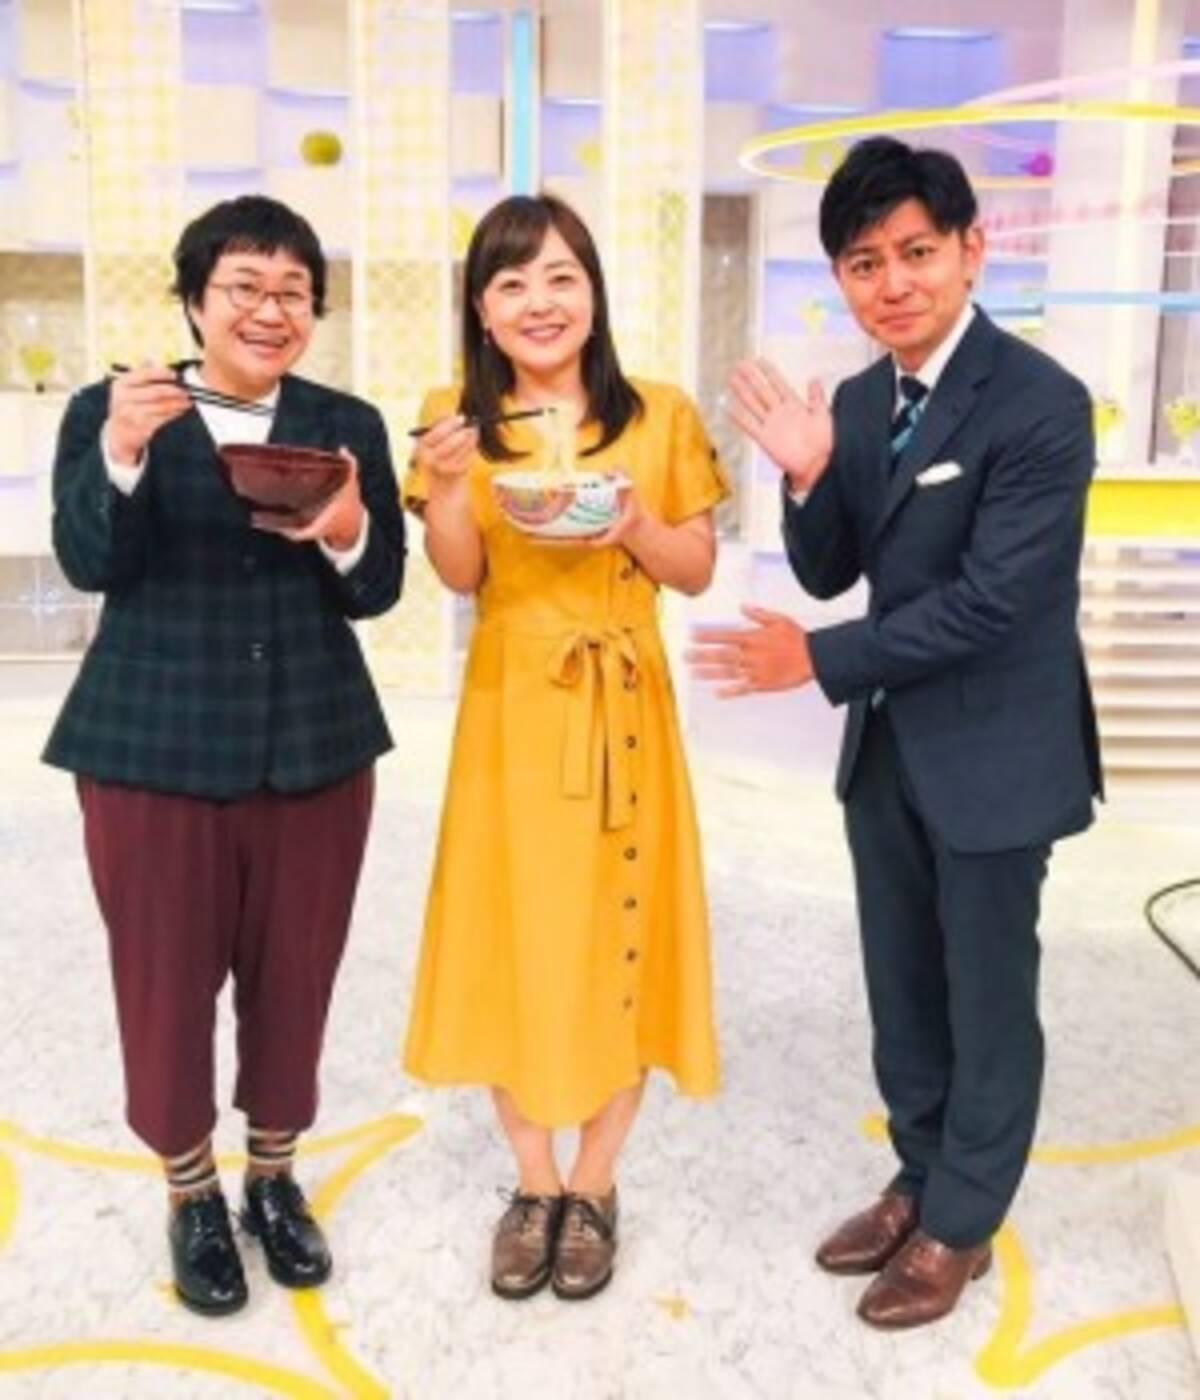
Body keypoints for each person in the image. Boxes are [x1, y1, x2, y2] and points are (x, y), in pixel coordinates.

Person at [689, 136, 1102, 1330]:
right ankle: (919, 1177)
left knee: (987, 997)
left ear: (974, 248)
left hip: (996, 754)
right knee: (904, 986)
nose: (894, 283)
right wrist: (809, 476)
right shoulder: (867, 399)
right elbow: (831, 569)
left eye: (917, 252)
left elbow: (993, 602)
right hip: (889, 753)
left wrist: (815, 662)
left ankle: (962, 1220)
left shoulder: (1041, 402)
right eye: (865, 263)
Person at [44, 195, 406, 1315]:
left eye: (295, 291)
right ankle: (192, 1188)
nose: (270, 309)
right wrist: (120, 451)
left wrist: (345, 526)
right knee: (162, 982)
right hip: (152, 749)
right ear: (195, 300)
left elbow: (379, 585)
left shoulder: (346, 423)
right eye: (245, 286)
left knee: (297, 973)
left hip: (315, 746)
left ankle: (275, 1175)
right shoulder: (117, 409)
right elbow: (89, 560)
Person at [403, 192, 727, 1302]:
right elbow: (460, 573)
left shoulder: (660, 412)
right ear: (480, 311)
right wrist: (454, 486)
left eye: (561, 277)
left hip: (625, 697)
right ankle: (533, 1181)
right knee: (512, 938)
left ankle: (595, 1182)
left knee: (621, 937)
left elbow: (695, 568)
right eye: (511, 283)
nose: (539, 301)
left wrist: (633, 523)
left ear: (594, 293)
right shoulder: (453, 416)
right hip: (512, 703)